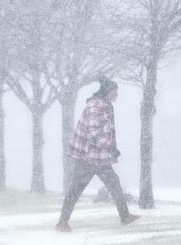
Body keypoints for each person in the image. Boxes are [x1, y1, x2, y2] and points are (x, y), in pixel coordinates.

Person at [56, 77, 140, 232]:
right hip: (88, 157)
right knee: (76, 188)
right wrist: (108, 146)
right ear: (108, 91)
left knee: (113, 182)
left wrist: (112, 149)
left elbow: (108, 131)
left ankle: (125, 216)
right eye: (115, 91)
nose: (117, 95)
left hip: (99, 157)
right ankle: (62, 223)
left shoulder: (107, 106)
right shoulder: (95, 106)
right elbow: (93, 131)